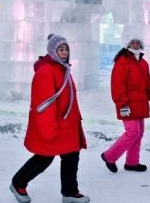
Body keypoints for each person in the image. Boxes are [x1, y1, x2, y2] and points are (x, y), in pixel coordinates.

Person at [10, 34, 89, 203]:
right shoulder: (47, 71)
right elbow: (43, 104)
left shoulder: (63, 68)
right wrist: (48, 128)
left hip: (67, 124)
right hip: (54, 125)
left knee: (71, 156)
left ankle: (69, 192)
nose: (64, 52)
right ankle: (18, 183)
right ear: (53, 51)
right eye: (61, 49)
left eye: (66, 49)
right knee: (44, 157)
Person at [101, 37, 150, 173]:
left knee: (138, 133)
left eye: (138, 42)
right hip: (127, 104)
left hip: (140, 103)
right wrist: (122, 105)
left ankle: (132, 162)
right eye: (132, 42)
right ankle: (109, 156)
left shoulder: (143, 63)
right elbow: (117, 85)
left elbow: (148, 85)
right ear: (127, 44)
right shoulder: (122, 61)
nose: (135, 44)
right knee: (132, 132)